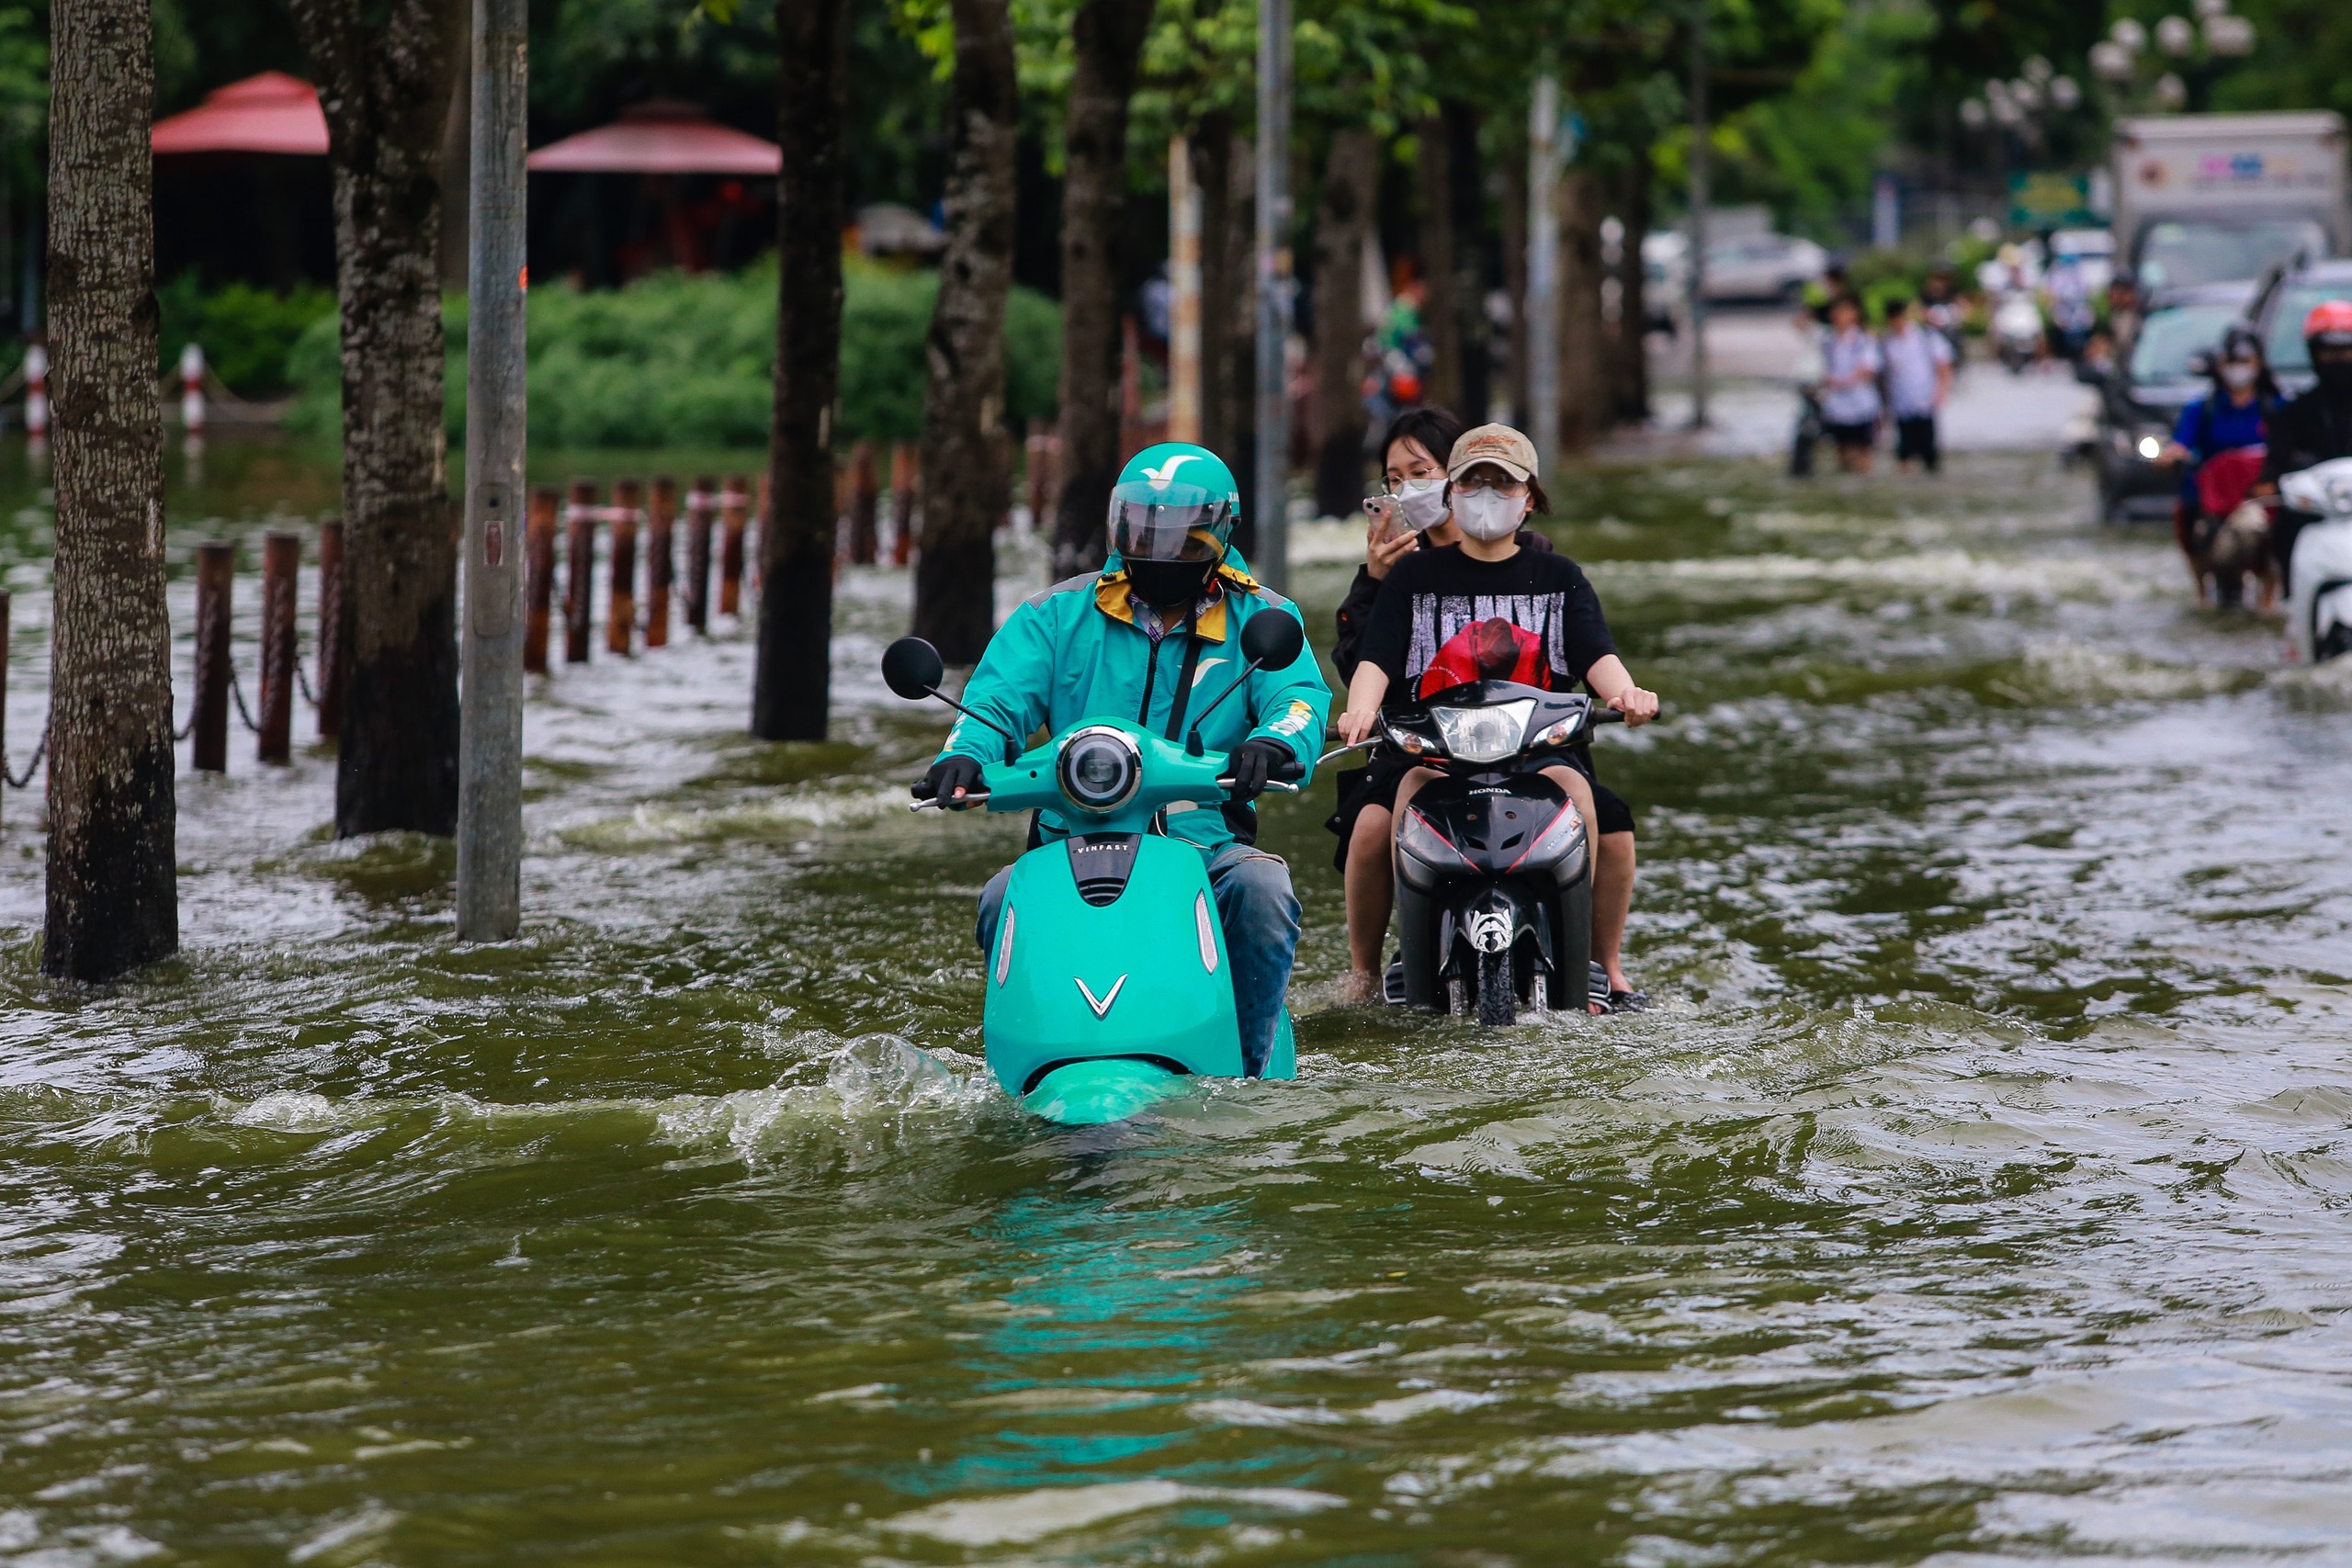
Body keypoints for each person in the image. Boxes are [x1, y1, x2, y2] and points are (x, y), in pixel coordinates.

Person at [913, 443, 1329, 1075]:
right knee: (1002, 896)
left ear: (1221, 532)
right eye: (1143, 530)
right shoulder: (1054, 616)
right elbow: (995, 702)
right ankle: (1018, 1067)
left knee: (1262, 887)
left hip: (1205, 849)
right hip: (1067, 845)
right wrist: (966, 756)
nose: (1160, 550)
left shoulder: (1265, 617)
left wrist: (1274, 743)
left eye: (1181, 536)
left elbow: (1297, 700)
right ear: (1118, 526)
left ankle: (1249, 1063)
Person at [1333, 424, 1660, 1012]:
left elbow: (1596, 654)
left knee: (1580, 797)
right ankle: (1391, 966)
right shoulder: (1412, 577)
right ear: (1453, 492)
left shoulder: (1559, 577)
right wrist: (1361, 709)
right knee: (1399, 798)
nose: (1487, 495)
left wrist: (1629, 693)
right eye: (1473, 482)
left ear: (1529, 496)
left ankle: (1584, 963)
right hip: (1434, 757)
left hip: (1538, 756)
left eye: (1502, 484)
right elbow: (1377, 656)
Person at [2159, 324, 2278, 609]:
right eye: (2232, 362)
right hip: (2215, 503)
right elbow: (2180, 446)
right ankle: (2203, 590)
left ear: (2259, 363)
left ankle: (2269, 596)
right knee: (2187, 512)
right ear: (2221, 365)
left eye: (2245, 361)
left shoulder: (2276, 408)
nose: (2239, 369)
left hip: (2260, 498)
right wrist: (2170, 456)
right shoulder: (2202, 409)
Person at [2256, 300, 2352, 593]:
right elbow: (2274, 466)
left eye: (2345, 351)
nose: (2337, 359)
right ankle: (2294, 607)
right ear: (2314, 354)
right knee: (2286, 528)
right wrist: (2271, 484)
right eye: (2328, 352)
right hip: (2316, 514)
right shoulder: (2296, 410)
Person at [1880, 296, 1954, 475]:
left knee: (1929, 451)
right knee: (1903, 451)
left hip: (1925, 400)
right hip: (1901, 403)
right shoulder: (1887, 342)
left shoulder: (1924, 336)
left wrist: (1942, 391)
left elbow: (1943, 365)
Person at [1817, 295, 1883, 473]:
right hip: (1837, 406)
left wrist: (1841, 381)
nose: (1839, 315)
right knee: (1842, 452)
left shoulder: (1864, 339)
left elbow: (1868, 370)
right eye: (1836, 311)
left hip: (1861, 405)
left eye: (1844, 311)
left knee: (1864, 452)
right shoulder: (1827, 340)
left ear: (1855, 314)